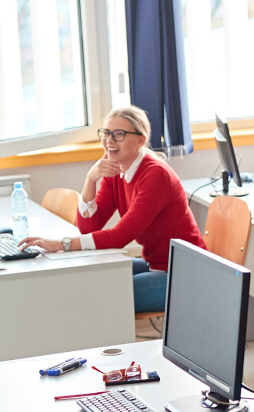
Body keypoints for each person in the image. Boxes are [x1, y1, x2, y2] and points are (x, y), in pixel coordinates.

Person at [20, 106, 206, 312]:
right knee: (88, 280)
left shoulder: (155, 175)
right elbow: (89, 228)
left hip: (187, 275)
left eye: (119, 135)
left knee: (102, 297)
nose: (109, 141)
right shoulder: (115, 170)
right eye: (106, 133)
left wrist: (61, 244)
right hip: (157, 264)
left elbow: (120, 236)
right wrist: (90, 179)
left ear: (141, 140)